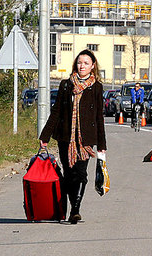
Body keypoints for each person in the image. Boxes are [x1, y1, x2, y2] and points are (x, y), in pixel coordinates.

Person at [39, 49, 107, 224]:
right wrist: (45, 135)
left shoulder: (97, 88)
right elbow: (56, 111)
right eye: (79, 62)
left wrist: (101, 144)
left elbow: (99, 117)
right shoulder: (66, 85)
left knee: (81, 174)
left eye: (86, 63)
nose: (82, 66)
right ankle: (69, 207)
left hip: (85, 140)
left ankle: (75, 210)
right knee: (69, 175)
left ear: (93, 66)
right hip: (65, 138)